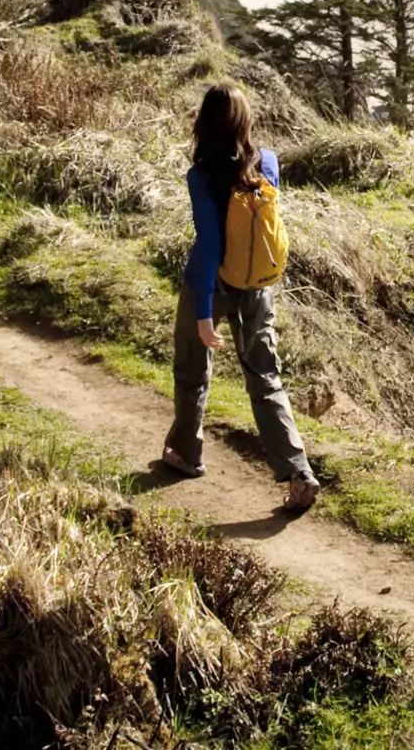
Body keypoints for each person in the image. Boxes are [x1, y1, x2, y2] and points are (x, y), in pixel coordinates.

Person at [162, 83, 319, 511]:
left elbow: (210, 243)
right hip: (257, 285)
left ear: (204, 125)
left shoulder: (201, 176)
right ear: (244, 121)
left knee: (192, 371)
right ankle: (298, 472)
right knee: (266, 379)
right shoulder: (268, 162)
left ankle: (186, 453)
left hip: (212, 285)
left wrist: (204, 311)